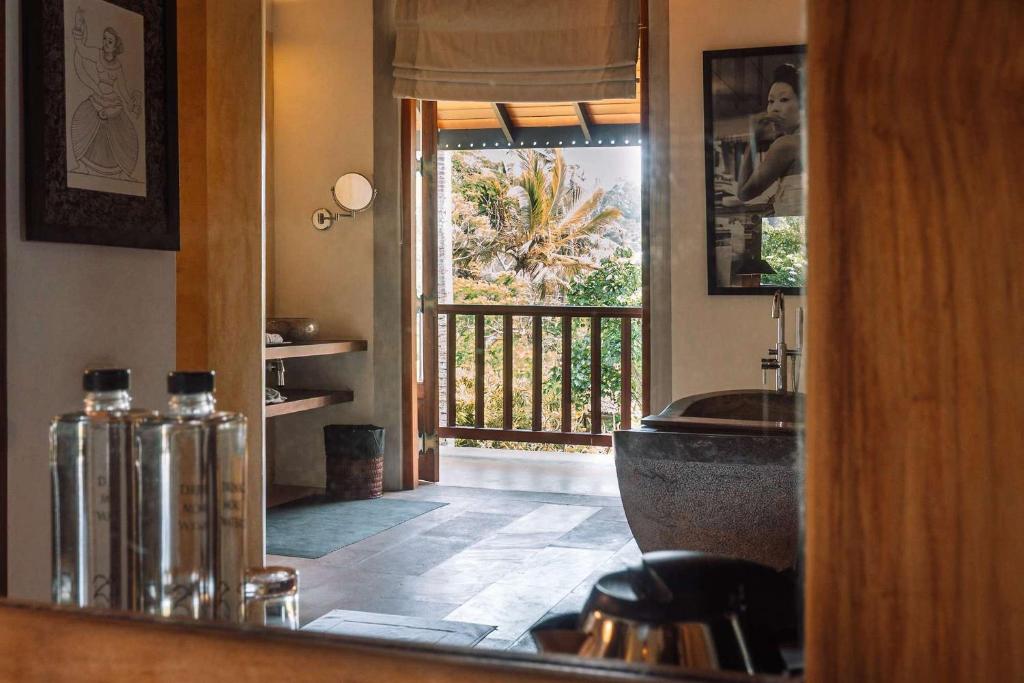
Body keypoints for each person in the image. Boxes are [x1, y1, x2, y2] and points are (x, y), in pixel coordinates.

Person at [69, 9, 142, 181]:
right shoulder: (97, 54)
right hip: (97, 99)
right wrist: (79, 29)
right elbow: (81, 50)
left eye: (109, 41)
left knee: (120, 139)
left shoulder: (117, 67)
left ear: (116, 46)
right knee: (81, 123)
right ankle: (82, 164)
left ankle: (119, 173)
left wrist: (132, 103)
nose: (105, 43)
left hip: (112, 104)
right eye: (104, 39)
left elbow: (123, 91)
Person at [736, 63, 804, 216]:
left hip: (793, 238)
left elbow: (743, 194)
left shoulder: (786, 144)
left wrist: (753, 137)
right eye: (771, 101)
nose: (774, 109)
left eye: (784, 99)